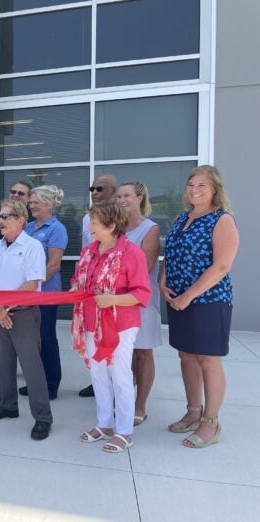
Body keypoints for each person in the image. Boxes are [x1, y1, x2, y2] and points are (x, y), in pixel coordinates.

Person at [161, 165, 239, 448]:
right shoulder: (183, 217)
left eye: (202, 185)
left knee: (208, 360)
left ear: (214, 189)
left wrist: (189, 295)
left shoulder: (222, 220)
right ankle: (193, 411)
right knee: (186, 357)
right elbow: (170, 254)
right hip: (178, 299)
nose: (195, 190)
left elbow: (221, 266)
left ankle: (211, 422)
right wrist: (162, 280)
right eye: (191, 184)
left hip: (209, 301)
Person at [72, 203, 151, 453]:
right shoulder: (88, 251)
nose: (89, 226)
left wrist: (113, 299)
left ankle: (124, 431)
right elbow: (78, 280)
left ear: (111, 225)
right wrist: (76, 289)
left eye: (94, 222)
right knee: (97, 374)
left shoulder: (131, 252)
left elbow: (141, 293)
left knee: (120, 375)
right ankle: (105, 424)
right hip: (91, 321)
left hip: (120, 324)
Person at [0, 200, 53, 441]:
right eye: (0, 217)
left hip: (23, 313)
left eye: (6, 216)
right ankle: (7, 406)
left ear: (21, 220)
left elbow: (32, 284)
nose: (0, 221)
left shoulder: (32, 246)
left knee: (32, 367)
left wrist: (4, 307)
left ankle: (43, 418)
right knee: (1, 364)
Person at [16, 185, 68, 401]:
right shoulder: (27, 227)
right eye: (31, 202)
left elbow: (54, 264)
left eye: (36, 202)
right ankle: (37, 381)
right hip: (27, 293)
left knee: (46, 338)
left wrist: (33, 284)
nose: (31, 205)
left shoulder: (57, 229)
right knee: (31, 340)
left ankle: (51, 384)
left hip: (45, 294)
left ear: (49, 204)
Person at [117, 181, 162, 425]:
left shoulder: (149, 229)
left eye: (127, 195)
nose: (121, 200)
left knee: (142, 353)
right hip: (117, 300)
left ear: (139, 198)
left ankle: (139, 405)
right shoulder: (116, 228)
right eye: (119, 196)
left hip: (140, 301)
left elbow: (144, 269)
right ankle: (124, 399)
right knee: (124, 354)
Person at [79, 173, 118, 398]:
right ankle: (98, 383)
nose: (94, 193)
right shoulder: (87, 219)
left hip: (114, 291)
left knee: (115, 343)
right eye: (92, 188)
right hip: (91, 289)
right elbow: (85, 249)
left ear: (113, 191)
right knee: (93, 338)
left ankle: (119, 389)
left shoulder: (120, 217)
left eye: (100, 189)